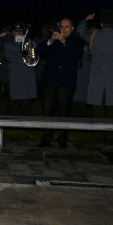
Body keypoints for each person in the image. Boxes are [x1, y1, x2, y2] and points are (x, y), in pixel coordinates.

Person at [76, 11, 113, 138]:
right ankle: (111, 135)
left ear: (101, 24)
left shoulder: (94, 35)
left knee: (98, 107)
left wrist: (86, 19)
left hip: (97, 77)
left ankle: (99, 135)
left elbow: (80, 31)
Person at [38, 18, 84, 147]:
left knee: (64, 111)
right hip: (50, 80)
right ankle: (46, 139)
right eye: (61, 26)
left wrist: (64, 42)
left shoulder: (76, 41)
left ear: (73, 28)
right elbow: (39, 51)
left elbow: (78, 54)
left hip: (66, 82)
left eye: (66, 26)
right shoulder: (52, 39)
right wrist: (50, 41)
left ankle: (62, 139)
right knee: (47, 111)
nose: (63, 29)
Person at [1, 23, 37, 115]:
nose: (19, 33)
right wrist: (21, 51)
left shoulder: (30, 42)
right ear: (13, 34)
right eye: (17, 32)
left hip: (27, 73)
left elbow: (34, 56)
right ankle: (14, 117)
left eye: (21, 31)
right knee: (15, 99)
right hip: (15, 73)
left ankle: (26, 118)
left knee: (26, 100)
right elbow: (8, 57)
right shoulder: (8, 44)